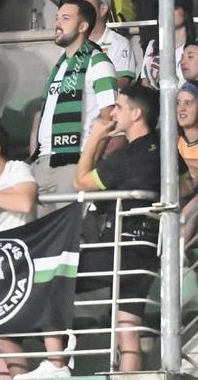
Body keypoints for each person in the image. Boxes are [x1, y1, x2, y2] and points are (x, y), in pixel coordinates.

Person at [75, 85, 162, 374]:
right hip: (148, 250)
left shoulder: (128, 157)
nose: (112, 112)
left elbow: (81, 182)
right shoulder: (163, 146)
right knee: (127, 329)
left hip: (121, 248)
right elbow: (186, 184)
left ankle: (55, 363)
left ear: (136, 114)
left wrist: (94, 138)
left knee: (58, 278)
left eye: (119, 107)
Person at [24, 0, 119, 199]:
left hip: (75, 161)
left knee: (71, 228)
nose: (57, 23)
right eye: (57, 17)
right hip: (43, 161)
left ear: (83, 26)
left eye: (66, 18)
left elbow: (109, 118)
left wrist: (90, 162)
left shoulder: (98, 62)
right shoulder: (60, 66)